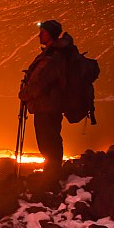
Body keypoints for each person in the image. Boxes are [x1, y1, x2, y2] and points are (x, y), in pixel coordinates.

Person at [18, 19, 76, 182]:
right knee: (51, 141)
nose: (39, 35)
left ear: (50, 34)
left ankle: (51, 177)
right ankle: (52, 174)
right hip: (51, 106)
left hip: (47, 106)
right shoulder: (57, 54)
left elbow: (40, 82)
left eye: (43, 32)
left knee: (48, 143)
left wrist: (24, 94)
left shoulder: (52, 57)